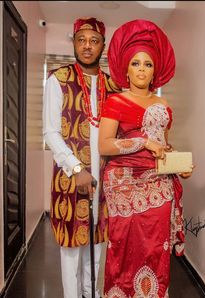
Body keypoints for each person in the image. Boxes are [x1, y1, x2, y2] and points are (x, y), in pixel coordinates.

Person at [98, 19, 193, 298]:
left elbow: (163, 144)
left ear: (155, 72)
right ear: (125, 69)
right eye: (136, 63)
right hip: (122, 185)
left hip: (159, 185)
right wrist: (143, 141)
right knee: (123, 250)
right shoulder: (115, 102)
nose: (141, 69)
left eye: (148, 64)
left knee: (155, 250)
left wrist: (179, 164)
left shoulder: (163, 105)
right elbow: (105, 145)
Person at [43, 17, 120, 298]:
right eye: (81, 40)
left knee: (98, 243)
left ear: (103, 46)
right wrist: (76, 169)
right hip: (70, 177)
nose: (87, 46)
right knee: (71, 248)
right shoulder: (58, 79)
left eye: (94, 41)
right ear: (74, 43)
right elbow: (51, 132)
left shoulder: (113, 86)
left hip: (105, 177)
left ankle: (92, 293)